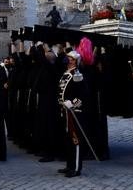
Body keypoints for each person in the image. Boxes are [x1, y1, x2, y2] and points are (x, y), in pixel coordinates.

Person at [57, 50, 89, 178]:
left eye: (70, 58)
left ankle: (76, 168)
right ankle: (69, 165)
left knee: (75, 140)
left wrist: (73, 104)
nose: (68, 60)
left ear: (75, 61)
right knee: (68, 140)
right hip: (65, 112)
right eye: (68, 57)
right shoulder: (66, 73)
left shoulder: (77, 74)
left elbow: (83, 95)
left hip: (74, 113)